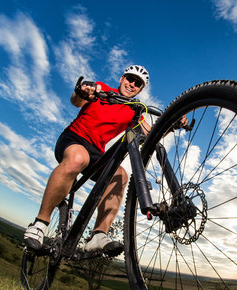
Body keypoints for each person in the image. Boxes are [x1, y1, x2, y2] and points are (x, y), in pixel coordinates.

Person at [24, 65, 152, 257]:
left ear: (140, 90)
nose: (132, 84)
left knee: (120, 175)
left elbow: (151, 132)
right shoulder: (102, 89)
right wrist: (83, 90)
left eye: (137, 84)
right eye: (130, 79)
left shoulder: (132, 111)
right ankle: (40, 223)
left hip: (96, 154)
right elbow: (76, 101)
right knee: (78, 158)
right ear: (121, 78)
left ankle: (98, 235)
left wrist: (175, 122)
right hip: (73, 138)